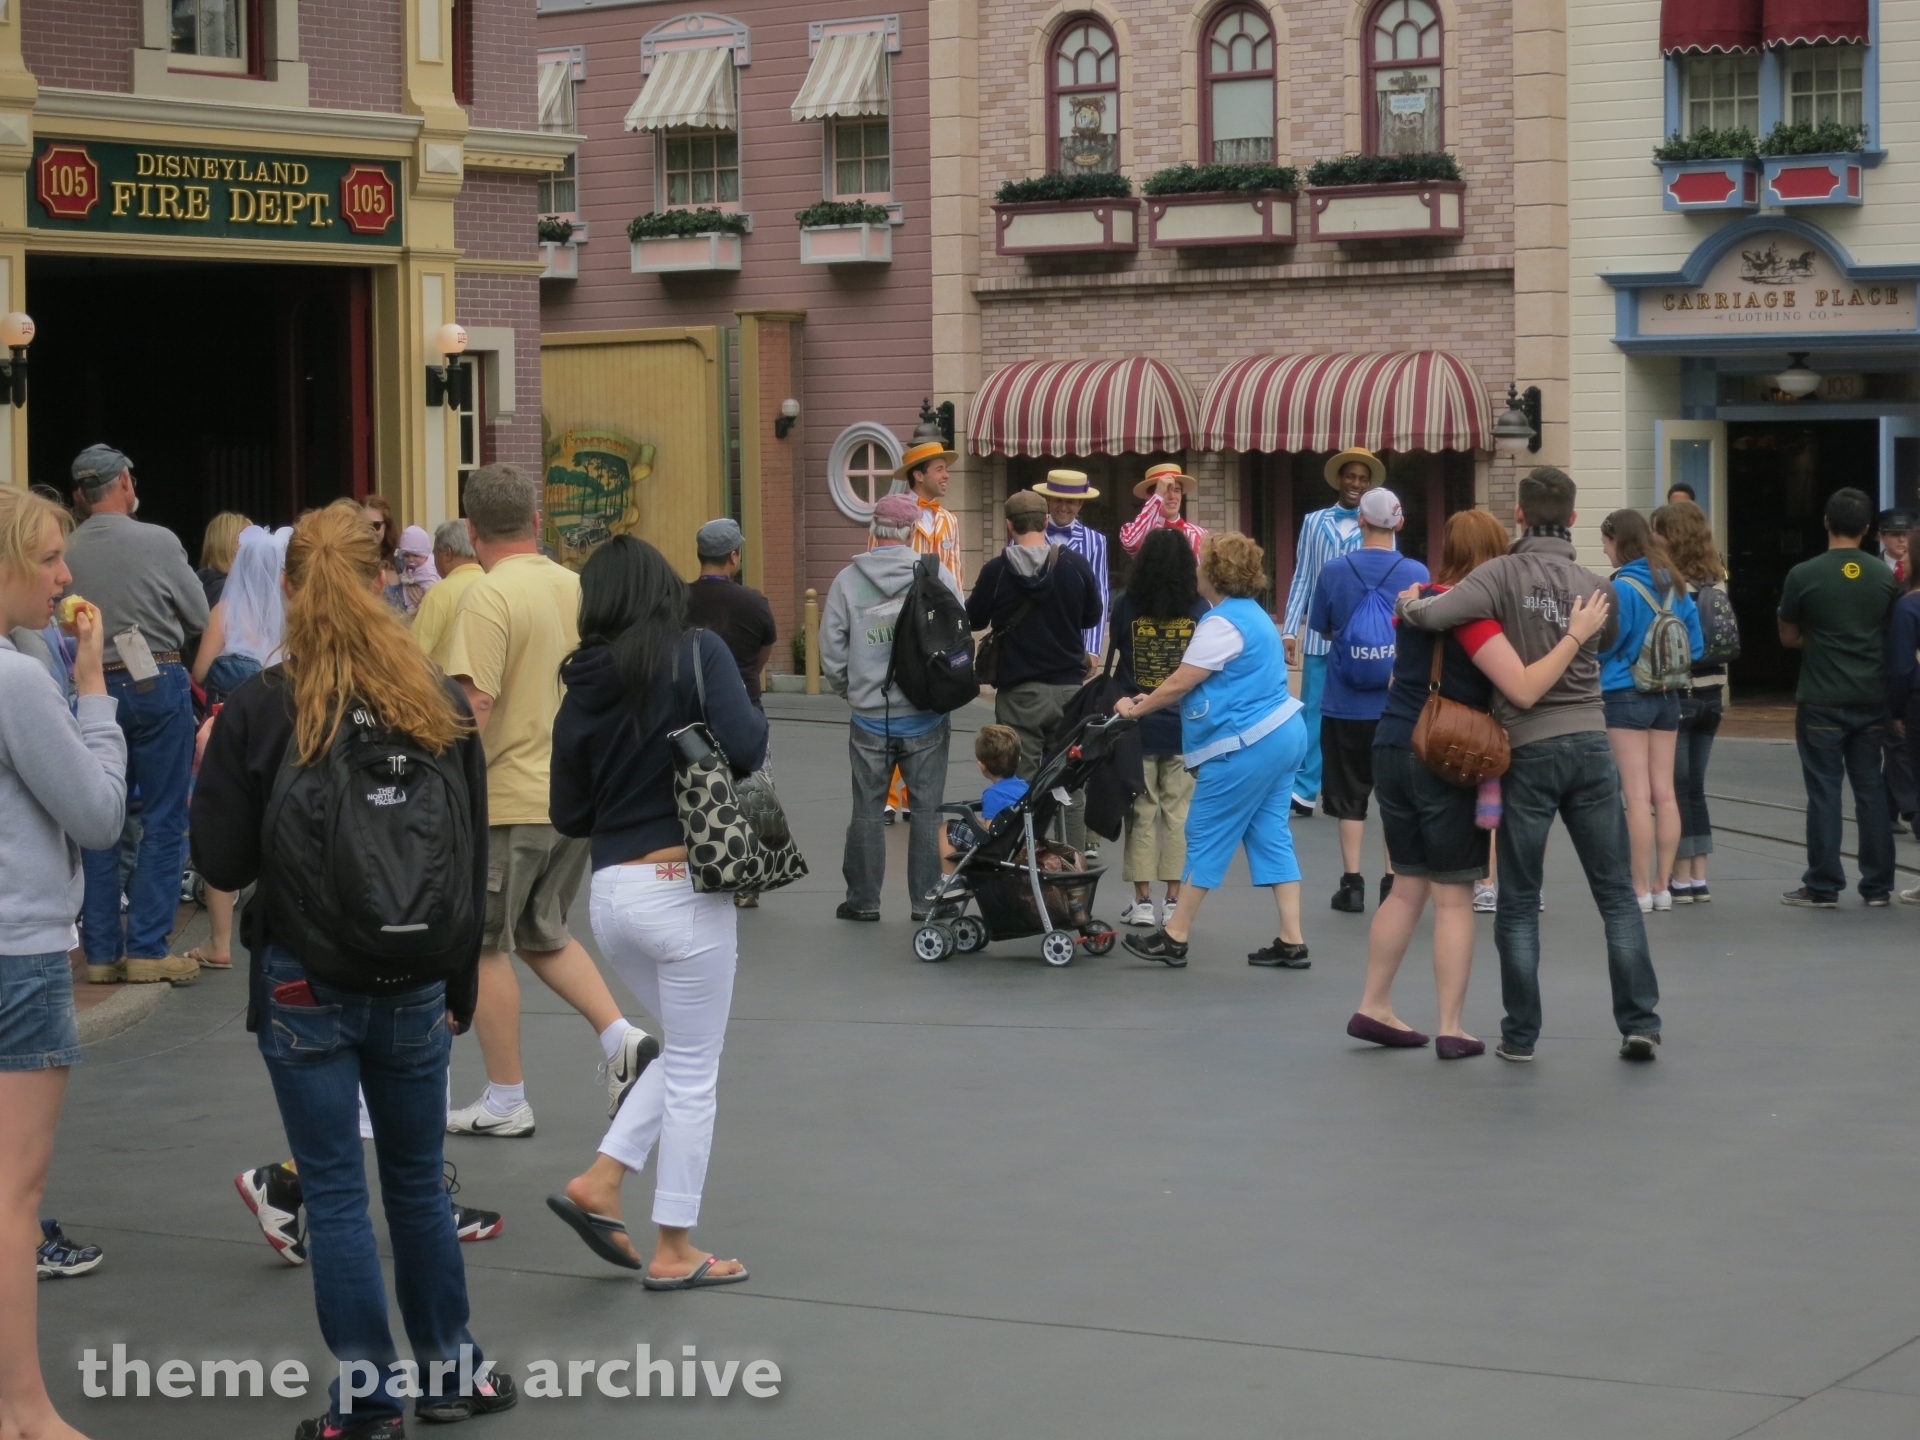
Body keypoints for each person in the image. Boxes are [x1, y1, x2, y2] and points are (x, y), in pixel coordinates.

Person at [191, 500, 517, 1436]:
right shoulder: (436, 699)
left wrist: (215, 766)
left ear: (291, 591)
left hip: (305, 975)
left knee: (335, 1193)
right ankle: (452, 1367)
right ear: (383, 583)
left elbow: (222, 864)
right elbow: (468, 854)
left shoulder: (265, 705)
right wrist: (458, 984)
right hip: (416, 977)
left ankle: (367, 1400)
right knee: (416, 1184)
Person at [547, 534, 766, 1288]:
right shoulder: (697, 652)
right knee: (696, 1068)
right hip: (683, 887)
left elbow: (568, 813)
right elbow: (747, 745)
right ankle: (674, 1245)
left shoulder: (580, 683)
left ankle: (603, 1180)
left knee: (683, 1055)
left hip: (612, 896)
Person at [1398, 466, 1663, 1063]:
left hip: (1527, 749)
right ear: (1573, 518)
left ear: (1518, 514)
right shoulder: (1598, 586)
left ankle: (1520, 1035)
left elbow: (1436, 616)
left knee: (1519, 899)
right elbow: (1609, 642)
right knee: (1615, 893)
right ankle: (1640, 1023)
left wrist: (1408, 604)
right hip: (1590, 742)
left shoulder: (1498, 575)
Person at [440, 464, 655, 1136]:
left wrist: (440, 787)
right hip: (573, 796)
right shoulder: (577, 587)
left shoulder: (487, 595)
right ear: (536, 521)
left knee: (483, 943)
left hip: (508, 797)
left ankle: (507, 1099)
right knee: (542, 930)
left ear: (472, 530)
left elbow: (473, 702)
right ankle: (621, 1038)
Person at [1350, 509, 1610, 1057]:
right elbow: (1523, 688)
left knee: (1406, 886)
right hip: (1444, 754)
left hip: (1392, 742)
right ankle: (1452, 1027)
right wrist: (1574, 636)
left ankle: (1374, 1004)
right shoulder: (1473, 615)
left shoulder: (1418, 603)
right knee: (1453, 899)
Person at [0, 483, 125, 1440]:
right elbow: (97, 813)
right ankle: (23, 1409)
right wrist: (92, 690)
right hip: (19, 949)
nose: (65, 575)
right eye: (46, 558)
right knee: (14, 1196)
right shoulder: (18, 683)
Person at [1115, 532, 1309, 969]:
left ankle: (1175, 935)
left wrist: (1136, 709)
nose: (1197, 570)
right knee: (1271, 835)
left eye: (1204, 564)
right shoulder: (1254, 615)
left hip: (1247, 743)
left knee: (1205, 833)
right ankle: (1292, 939)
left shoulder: (1221, 623)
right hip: (1283, 732)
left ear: (1216, 574)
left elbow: (1181, 681)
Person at [62, 443, 209, 986]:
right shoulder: (159, 540)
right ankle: (147, 946)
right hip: (155, 677)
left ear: (81, 495)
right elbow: (198, 615)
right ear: (124, 481)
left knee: (100, 819)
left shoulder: (66, 549)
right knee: (164, 817)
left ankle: (101, 952)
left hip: (91, 683)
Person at [821, 492, 963, 921]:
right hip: (926, 715)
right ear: (912, 531)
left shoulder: (847, 581)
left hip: (870, 716)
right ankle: (925, 901)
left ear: (873, 529)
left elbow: (832, 650)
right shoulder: (935, 574)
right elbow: (959, 631)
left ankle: (863, 901)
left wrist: (851, 690)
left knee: (866, 810)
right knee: (926, 811)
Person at [1777, 486, 1901, 908]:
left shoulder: (1803, 574)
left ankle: (1824, 884)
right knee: (1870, 789)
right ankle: (1878, 885)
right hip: (1870, 695)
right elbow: (1891, 632)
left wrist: (1820, 640)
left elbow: (1788, 634)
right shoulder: (1884, 577)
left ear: (1826, 522)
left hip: (1821, 696)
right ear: (1867, 529)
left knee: (1824, 791)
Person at [1308, 486, 1426, 913]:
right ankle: (1392, 880)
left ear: (1360, 520)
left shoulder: (1334, 571)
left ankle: (1351, 883)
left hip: (1344, 702)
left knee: (1349, 796)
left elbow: (1323, 628)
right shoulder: (1415, 571)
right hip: (1399, 704)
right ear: (1399, 522)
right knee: (1395, 796)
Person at [964, 490, 1104, 850]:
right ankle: (1072, 862)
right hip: (1069, 692)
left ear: (1009, 526)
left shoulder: (996, 571)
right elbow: (1092, 615)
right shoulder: (1075, 565)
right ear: (1045, 521)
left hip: (1019, 693)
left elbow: (973, 618)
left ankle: (1023, 857)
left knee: (1019, 782)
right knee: (1069, 782)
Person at [186, 525, 291, 971]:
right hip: (280, 727)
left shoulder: (225, 611)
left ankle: (220, 941)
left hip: (226, 725)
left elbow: (200, 669)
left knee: (224, 816)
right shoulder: (290, 613)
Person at [1597, 508, 1703, 912]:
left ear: (1617, 541)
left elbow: (1607, 645)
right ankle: (1662, 887)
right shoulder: (1674, 583)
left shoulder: (1621, 587)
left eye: (1605, 542)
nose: (1604, 551)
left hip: (1625, 695)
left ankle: (1639, 889)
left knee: (1637, 796)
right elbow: (1695, 647)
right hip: (1668, 696)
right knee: (1666, 794)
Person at [1111, 529, 1209, 929]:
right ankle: (1173, 899)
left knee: (1141, 811)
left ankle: (1142, 902)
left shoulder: (1126, 604)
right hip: (1186, 725)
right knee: (1178, 813)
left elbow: (1117, 649)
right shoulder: (1199, 607)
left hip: (1137, 721)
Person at [1282, 447, 1383, 817]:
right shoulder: (1314, 522)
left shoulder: (1379, 523)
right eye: (1350, 476)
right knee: (1312, 713)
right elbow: (1303, 577)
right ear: (1339, 479)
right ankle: (1305, 790)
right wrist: (1289, 629)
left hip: (1362, 637)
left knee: (1358, 716)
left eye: (1362, 479)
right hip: (1318, 635)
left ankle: (1352, 787)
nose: (1356, 483)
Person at [878, 405, 964, 824]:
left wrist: (960, 625)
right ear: (918, 475)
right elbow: (877, 566)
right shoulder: (893, 515)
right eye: (939, 468)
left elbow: (955, 576)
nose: (946, 475)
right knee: (895, 707)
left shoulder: (949, 521)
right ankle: (889, 796)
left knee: (928, 707)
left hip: (935, 630)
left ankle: (914, 795)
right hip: (898, 625)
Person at [1653, 500, 1729, 902]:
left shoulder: (1669, 582)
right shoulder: (1716, 578)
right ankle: (1699, 877)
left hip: (1680, 692)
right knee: (1695, 787)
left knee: (1673, 789)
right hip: (1713, 693)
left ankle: (1679, 878)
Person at [685, 517, 777, 710]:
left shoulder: (678, 600)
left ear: (700, 554)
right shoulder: (755, 603)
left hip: (691, 707)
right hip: (743, 706)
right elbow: (763, 653)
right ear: (733, 557)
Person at [1034, 469, 1110, 659]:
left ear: (1080, 504)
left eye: (1070, 501)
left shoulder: (1096, 541)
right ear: (1048, 500)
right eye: (1058, 500)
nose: (1063, 507)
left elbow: (1100, 594)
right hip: (1035, 641)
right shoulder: (1029, 535)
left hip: (1076, 644)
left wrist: (1092, 650)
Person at [1875, 509, 1917, 831]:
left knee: (1898, 743)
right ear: (1881, 536)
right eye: (1894, 534)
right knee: (1896, 740)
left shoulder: (1916, 568)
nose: (1902, 541)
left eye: (1906, 534)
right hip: (1886, 667)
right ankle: (1913, 811)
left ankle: (1887, 810)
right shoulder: (1873, 571)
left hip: (1912, 668)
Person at [411, 518, 484, 668]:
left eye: (435, 554)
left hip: (445, 680)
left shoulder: (440, 592)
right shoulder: (492, 585)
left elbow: (414, 652)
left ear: (447, 554)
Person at [1119, 461, 1208, 559]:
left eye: (1176, 490)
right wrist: (1158, 495)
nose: (1172, 496)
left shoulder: (1201, 534)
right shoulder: (1132, 531)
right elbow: (1131, 544)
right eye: (1165, 491)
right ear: (1151, 497)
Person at [197, 509, 250, 609]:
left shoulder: (201, 584)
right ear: (227, 545)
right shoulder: (224, 590)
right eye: (247, 539)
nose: (255, 546)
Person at [976, 724, 1027, 820]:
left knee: (948, 826)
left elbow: (990, 826)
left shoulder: (992, 794)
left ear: (982, 766)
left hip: (1004, 829)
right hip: (1018, 828)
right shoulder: (1023, 786)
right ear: (1019, 760)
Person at [388, 524, 441, 616]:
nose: (411, 559)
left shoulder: (428, 570)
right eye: (406, 556)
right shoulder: (410, 567)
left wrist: (424, 601)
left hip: (424, 604)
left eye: (415, 555)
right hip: (412, 602)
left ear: (425, 554)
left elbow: (431, 590)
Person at [363, 493, 400, 597]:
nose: (370, 531)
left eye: (376, 525)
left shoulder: (401, 560)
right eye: (363, 525)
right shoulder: (350, 562)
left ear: (386, 526)